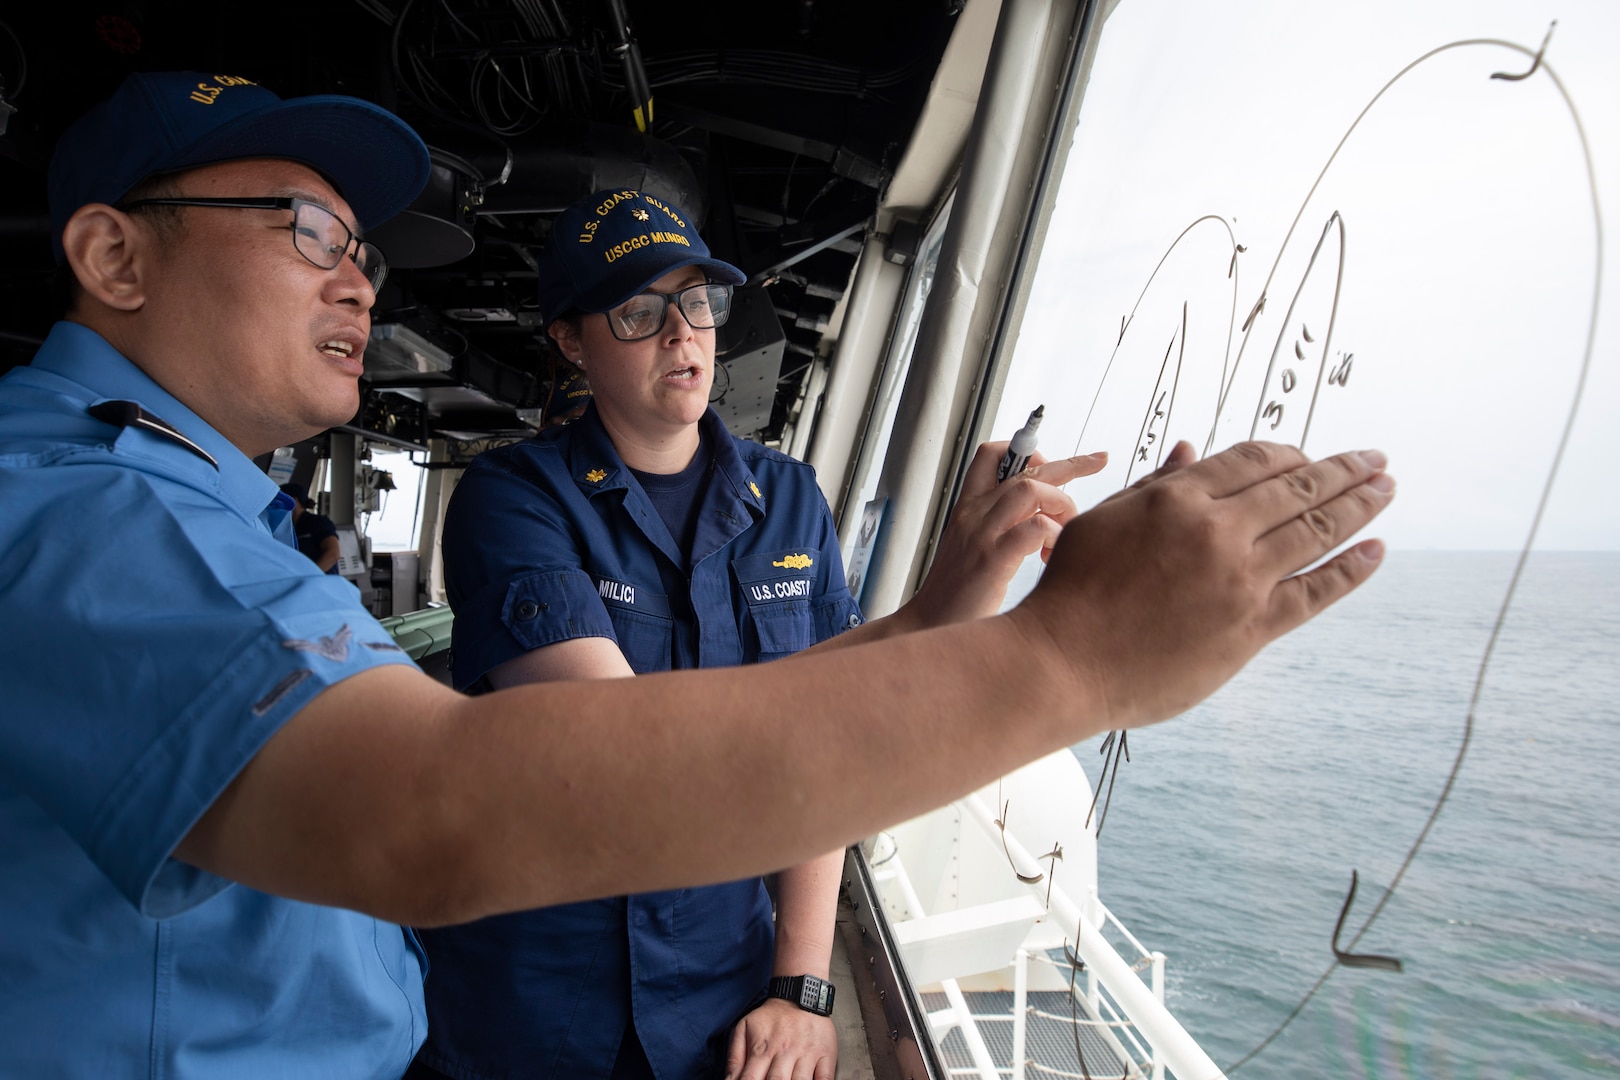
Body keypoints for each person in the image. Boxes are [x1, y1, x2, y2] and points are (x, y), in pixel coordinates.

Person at [0, 71, 1395, 1080]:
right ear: (113, 255)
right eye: (307, 233)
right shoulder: (80, 511)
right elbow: (460, 804)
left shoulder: (185, 503)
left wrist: (936, 619)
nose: (362, 283)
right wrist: (1068, 659)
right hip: (528, 1015)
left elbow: (776, 713)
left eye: (362, 250)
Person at [413, 190, 1110, 1080]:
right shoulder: (512, 500)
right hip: (531, 1004)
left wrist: (802, 985)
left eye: (697, 303)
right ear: (569, 339)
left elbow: (833, 754)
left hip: (717, 1004)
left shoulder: (789, 501)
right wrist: (935, 615)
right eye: (638, 311)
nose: (682, 334)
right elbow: (630, 752)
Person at [281, 480, 343, 573]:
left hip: (321, 583)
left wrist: (308, 576)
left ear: (293, 500)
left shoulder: (317, 523)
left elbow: (333, 554)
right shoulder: (288, 528)